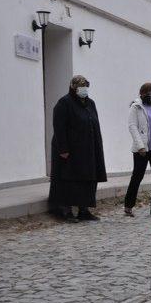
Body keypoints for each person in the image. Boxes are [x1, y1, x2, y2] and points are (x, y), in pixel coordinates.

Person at [48, 75, 107, 222]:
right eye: (81, 87)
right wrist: (63, 149)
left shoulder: (90, 104)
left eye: (86, 86)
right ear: (74, 88)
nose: (84, 89)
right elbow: (59, 127)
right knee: (69, 180)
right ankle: (66, 210)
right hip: (70, 151)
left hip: (88, 150)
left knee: (87, 180)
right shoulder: (64, 103)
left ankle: (84, 210)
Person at [124, 82, 151, 217]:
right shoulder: (136, 107)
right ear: (142, 93)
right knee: (137, 177)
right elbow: (132, 127)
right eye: (148, 93)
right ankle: (128, 205)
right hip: (142, 149)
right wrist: (140, 146)